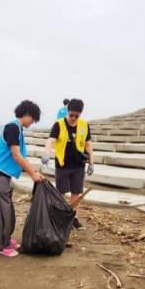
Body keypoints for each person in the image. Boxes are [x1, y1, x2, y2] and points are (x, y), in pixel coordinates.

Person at [0, 100, 45, 257]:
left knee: (8, 209)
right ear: (27, 114)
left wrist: (33, 171)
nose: (33, 122)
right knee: (2, 211)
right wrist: (32, 174)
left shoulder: (16, 128)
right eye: (33, 119)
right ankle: (1, 245)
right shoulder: (13, 127)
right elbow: (16, 155)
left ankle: (6, 239)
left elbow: (20, 156)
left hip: (4, 175)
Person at [42, 98, 93, 229]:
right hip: (63, 165)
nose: (74, 118)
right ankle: (60, 217)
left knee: (76, 192)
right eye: (71, 115)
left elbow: (88, 144)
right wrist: (46, 154)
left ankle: (73, 218)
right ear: (67, 111)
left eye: (77, 115)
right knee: (61, 193)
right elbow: (51, 140)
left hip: (78, 166)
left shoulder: (84, 125)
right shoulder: (59, 124)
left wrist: (91, 162)